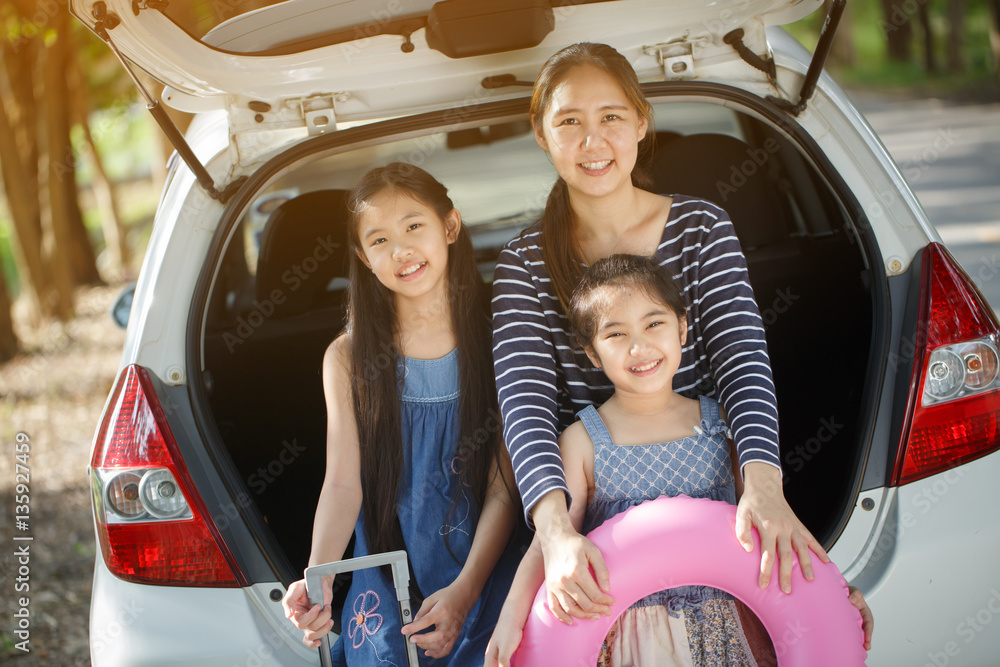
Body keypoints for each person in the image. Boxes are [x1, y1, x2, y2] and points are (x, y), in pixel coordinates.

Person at [488, 42, 873, 650]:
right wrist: (558, 533)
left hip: (718, 515)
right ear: (541, 133)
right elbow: (525, 407)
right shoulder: (524, 263)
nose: (593, 142)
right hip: (604, 537)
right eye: (569, 122)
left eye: (611, 117)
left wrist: (766, 493)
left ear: (642, 122)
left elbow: (743, 362)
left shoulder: (701, 226)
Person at [487, 255, 872, 666]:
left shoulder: (723, 424)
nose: (639, 347)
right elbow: (549, 542)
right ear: (592, 354)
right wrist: (510, 616)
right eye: (615, 334)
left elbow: (774, 524)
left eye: (654, 324)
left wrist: (836, 594)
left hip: (731, 626)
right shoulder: (582, 443)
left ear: (683, 327)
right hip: (631, 641)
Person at [282, 163, 522, 665]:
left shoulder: (499, 336)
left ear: (450, 226)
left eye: (414, 226)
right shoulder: (347, 359)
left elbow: (505, 485)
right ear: (363, 258)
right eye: (379, 240)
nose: (401, 251)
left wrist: (465, 592)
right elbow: (343, 485)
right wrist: (318, 576)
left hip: (489, 571)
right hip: (391, 584)